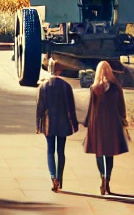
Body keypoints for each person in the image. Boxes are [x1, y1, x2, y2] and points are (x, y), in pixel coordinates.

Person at [82, 61, 129, 196]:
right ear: (110, 71)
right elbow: (121, 106)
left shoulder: (94, 88)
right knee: (109, 153)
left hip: (97, 122)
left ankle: (102, 175)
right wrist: (123, 119)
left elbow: (91, 107)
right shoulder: (116, 87)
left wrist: (86, 122)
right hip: (112, 122)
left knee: (99, 151)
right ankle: (107, 178)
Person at [36, 59, 79, 192]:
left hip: (49, 124)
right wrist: (74, 124)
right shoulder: (66, 86)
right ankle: (60, 179)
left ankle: (53, 176)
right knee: (61, 151)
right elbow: (71, 108)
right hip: (63, 123)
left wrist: (38, 124)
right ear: (60, 71)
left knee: (50, 151)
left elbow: (40, 107)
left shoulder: (43, 86)